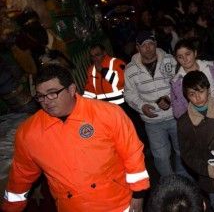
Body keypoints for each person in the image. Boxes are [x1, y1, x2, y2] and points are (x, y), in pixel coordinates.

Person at [2, 64, 150, 212]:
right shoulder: (29, 134)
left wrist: (138, 195)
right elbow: (21, 176)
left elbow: (132, 155)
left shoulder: (107, 114)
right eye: (40, 96)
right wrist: (10, 208)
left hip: (118, 204)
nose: (46, 101)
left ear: (71, 90)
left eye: (52, 93)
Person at [124, 30, 187, 177]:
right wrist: (141, 106)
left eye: (151, 44)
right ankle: (169, 183)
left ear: (156, 44)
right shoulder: (130, 69)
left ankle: (182, 177)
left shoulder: (170, 60)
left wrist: (171, 98)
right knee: (161, 156)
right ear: (138, 47)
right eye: (144, 45)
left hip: (175, 116)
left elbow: (180, 82)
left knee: (181, 150)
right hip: (152, 121)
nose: (148, 48)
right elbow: (129, 93)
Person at [177, 71, 214, 212]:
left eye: (201, 91)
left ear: (208, 89)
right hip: (209, 176)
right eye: (192, 94)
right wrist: (206, 169)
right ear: (186, 96)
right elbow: (187, 153)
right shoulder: (184, 122)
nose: (197, 97)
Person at [170, 38, 214, 119]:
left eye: (188, 54)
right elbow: (178, 112)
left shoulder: (211, 68)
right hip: (195, 121)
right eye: (180, 57)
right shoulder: (177, 82)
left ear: (195, 53)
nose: (185, 59)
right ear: (176, 59)